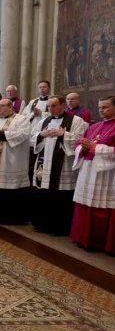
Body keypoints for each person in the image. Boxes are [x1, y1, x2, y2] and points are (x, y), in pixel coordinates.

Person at [30, 96, 87, 235]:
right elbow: (32, 137)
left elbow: (80, 140)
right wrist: (41, 135)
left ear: (62, 105)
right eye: (49, 106)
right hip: (43, 164)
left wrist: (64, 134)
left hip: (63, 165)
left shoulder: (76, 120)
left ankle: (60, 228)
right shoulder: (44, 121)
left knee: (61, 195)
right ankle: (42, 224)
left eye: (53, 105)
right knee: (44, 193)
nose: (50, 108)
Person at [70, 96, 115, 254]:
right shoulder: (94, 126)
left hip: (107, 173)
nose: (101, 110)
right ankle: (82, 237)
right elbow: (78, 144)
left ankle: (100, 243)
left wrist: (95, 147)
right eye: (100, 107)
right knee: (85, 204)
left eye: (105, 107)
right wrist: (82, 148)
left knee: (102, 206)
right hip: (88, 170)